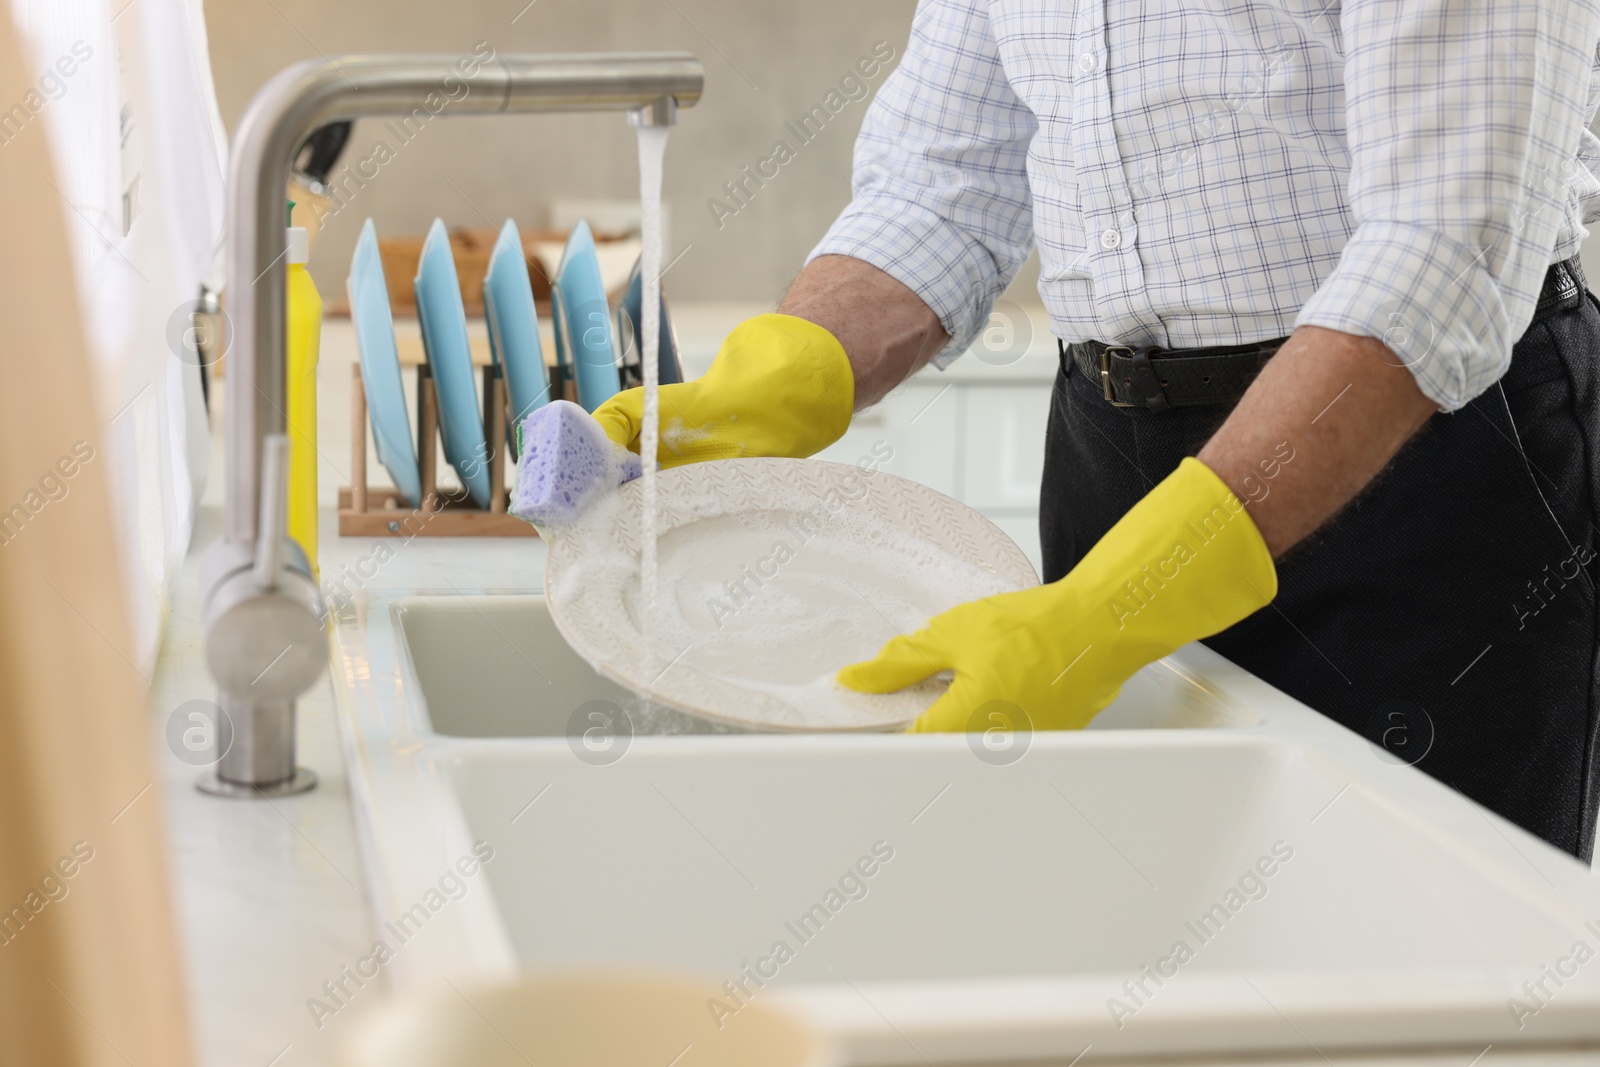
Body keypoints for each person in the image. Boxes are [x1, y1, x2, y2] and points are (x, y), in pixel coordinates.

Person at [595, 0, 1600, 860]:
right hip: (1109, 464)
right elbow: (941, 187)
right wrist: (781, 376)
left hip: (1417, 471)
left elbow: (1443, 248)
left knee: (1410, 973)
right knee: (1126, 947)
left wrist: (1123, 604)